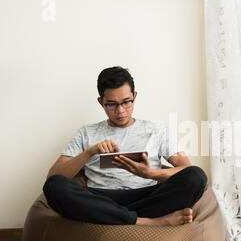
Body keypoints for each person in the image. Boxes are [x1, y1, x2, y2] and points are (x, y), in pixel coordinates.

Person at [43, 66, 207, 226]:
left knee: (197, 176)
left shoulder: (157, 130)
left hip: (145, 198)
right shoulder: (87, 132)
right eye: (112, 104)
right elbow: (54, 176)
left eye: (126, 102)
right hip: (101, 199)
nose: (120, 111)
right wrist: (90, 152)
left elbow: (186, 169)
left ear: (135, 96)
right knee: (54, 186)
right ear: (101, 102)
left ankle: (117, 217)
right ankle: (148, 221)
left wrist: (151, 174)